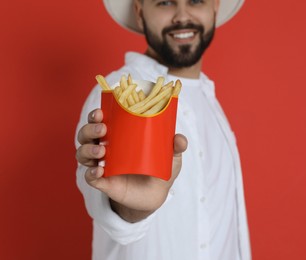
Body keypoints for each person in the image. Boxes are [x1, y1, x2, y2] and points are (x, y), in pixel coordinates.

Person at [75, 0, 251, 259]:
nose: (182, 16)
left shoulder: (208, 98)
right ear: (139, 11)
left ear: (214, 7)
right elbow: (111, 210)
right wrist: (132, 209)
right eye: (165, 2)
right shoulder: (117, 94)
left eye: (196, 1)